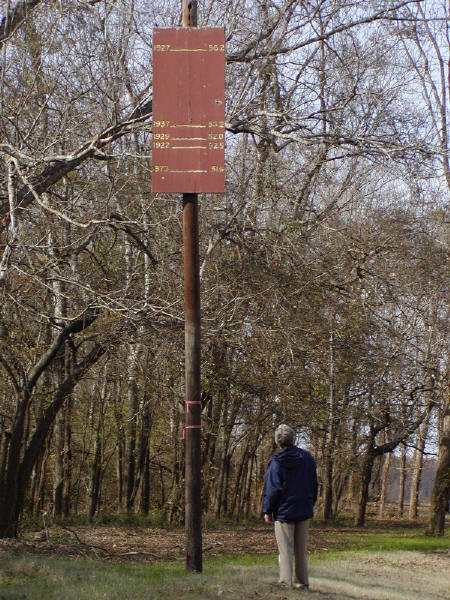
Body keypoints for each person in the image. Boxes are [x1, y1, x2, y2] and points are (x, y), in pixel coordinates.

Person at [263, 424, 318, 590]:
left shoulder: (277, 461)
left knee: (286, 549)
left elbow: (272, 489)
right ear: (293, 438)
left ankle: (286, 583)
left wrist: (267, 510)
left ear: (277, 441)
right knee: (300, 549)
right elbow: (314, 484)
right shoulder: (307, 458)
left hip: (284, 511)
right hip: (304, 508)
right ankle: (302, 582)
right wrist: (310, 502)